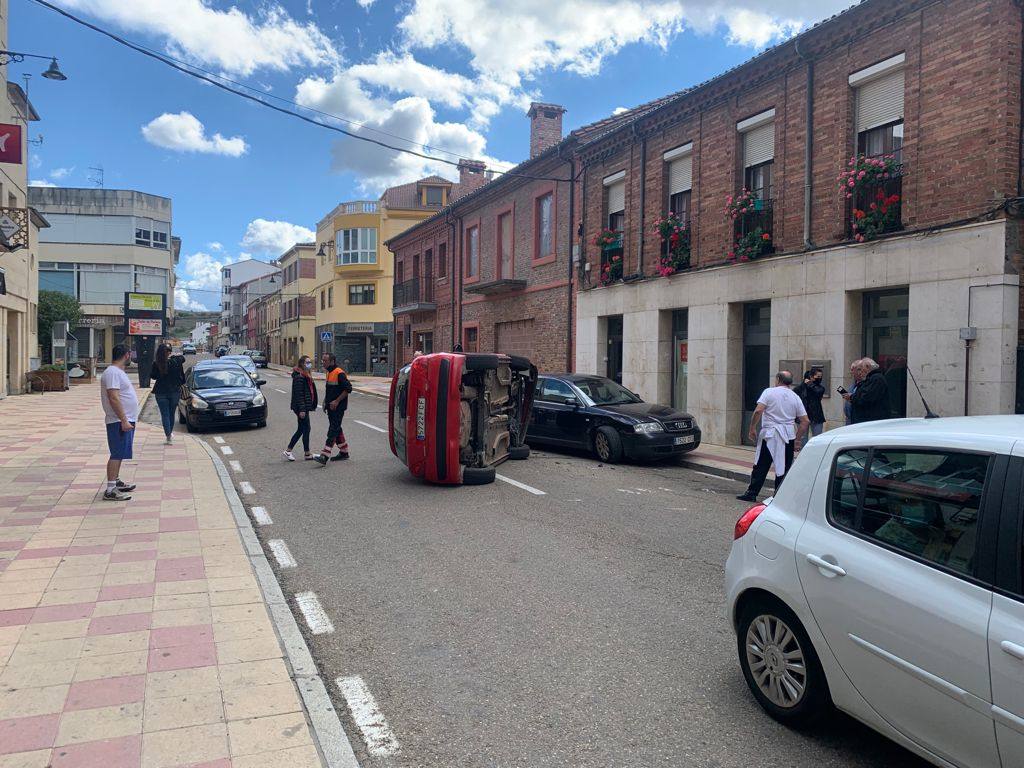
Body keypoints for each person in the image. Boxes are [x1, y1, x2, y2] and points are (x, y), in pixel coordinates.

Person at [737, 371, 809, 502]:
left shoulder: (769, 392)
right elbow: (805, 421)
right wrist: (798, 440)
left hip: (770, 434)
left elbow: (759, 410)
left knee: (761, 464)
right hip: (788, 435)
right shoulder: (795, 397)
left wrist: (752, 427)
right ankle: (780, 496)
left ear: (778, 379)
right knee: (785, 466)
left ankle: (752, 492)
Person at [100, 344, 139, 501]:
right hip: (118, 420)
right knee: (116, 453)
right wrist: (123, 419)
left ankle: (115, 481)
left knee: (121, 452)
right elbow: (113, 397)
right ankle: (110, 490)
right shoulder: (113, 373)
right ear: (127, 355)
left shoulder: (116, 372)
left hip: (124, 419)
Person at [313, 353, 352, 466]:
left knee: (333, 430)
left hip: (338, 407)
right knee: (337, 428)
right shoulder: (329, 372)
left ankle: (325, 455)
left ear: (332, 361)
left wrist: (336, 401)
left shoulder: (339, 373)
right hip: (331, 407)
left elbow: (348, 388)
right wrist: (325, 402)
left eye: (325, 361)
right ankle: (344, 452)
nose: (323, 363)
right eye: (323, 361)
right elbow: (330, 390)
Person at [150, 343, 186, 444]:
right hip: (174, 391)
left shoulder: (157, 363)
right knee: (171, 413)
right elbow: (183, 359)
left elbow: (153, 376)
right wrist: (175, 357)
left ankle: (168, 436)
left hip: (160, 392)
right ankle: (169, 433)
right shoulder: (176, 361)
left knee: (164, 414)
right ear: (169, 352)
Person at [284, 354, 318, 461]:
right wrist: (302, 409)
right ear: (302, 364)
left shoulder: (305, 375)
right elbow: (299, 394)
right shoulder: (299, 377)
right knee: (304, 429)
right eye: (307, 362)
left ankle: (306, 453)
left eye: (309, 362)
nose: (309, 364)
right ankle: (289, 451)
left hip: (303, 407)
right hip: (300, 408)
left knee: (303, 429)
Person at [846, 357, 891, 423]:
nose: (861, 372)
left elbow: (866, 398)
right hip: (864, 420)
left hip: (870, 421)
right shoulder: (871, 378)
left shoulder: (876, 379)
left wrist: (852, 397)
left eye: (862, 368)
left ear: (867, 367)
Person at [793, 367, 826, 447]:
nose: (819, 378)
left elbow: (818, 392)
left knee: (817, 438)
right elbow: (795, 392)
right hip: (803, 416)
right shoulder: (802, 388)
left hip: (816, 416)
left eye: (820, 377)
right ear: (811, 377)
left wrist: (810, 384)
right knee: (803, 439)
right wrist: (804, 383)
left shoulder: (820, 387)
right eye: (817, 377)